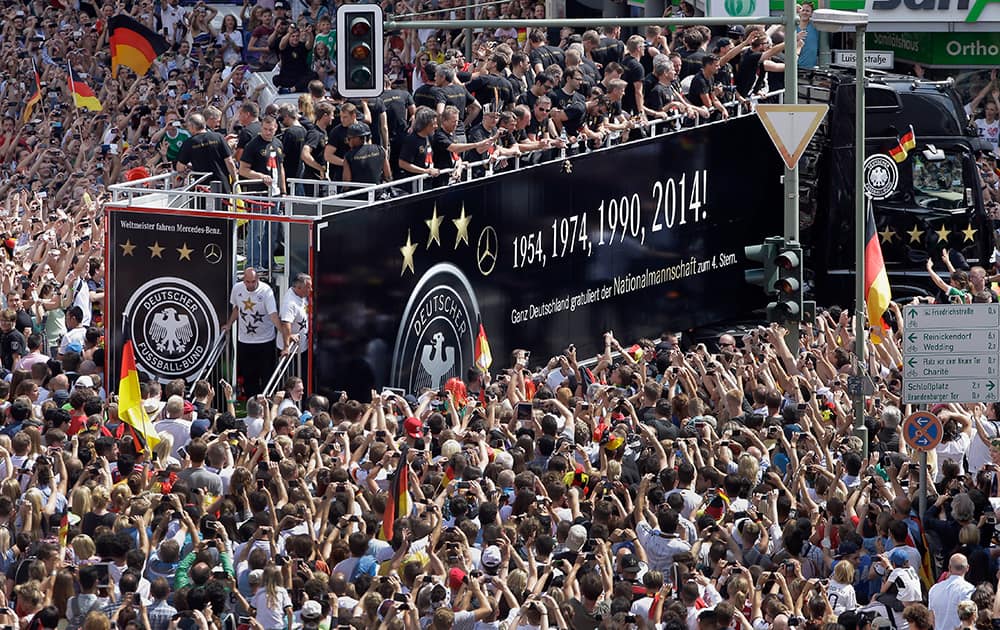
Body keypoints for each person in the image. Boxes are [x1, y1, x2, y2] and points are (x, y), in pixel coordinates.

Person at [223, 268, 281, 399]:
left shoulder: (266, 291)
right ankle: (251, 405)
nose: (250, 285)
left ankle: (267, 404)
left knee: (267, 375)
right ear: (243, 280)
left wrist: (283, 333)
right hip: (245, 341)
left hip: (266, 341)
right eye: (247, 282)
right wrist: (229, 324)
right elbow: (237, 308)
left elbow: (273, 315)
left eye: (253, 281)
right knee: (249, 377)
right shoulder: (237, 289)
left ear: (258, 279)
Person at [175, 112, 236, 194]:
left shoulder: (189, 143)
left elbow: (180, 167)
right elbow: (230, 162)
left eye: (188, 127)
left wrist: (190, 167)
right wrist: (235, 181)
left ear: (192, 127)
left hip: (201, 187)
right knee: (222, 206)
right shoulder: (218, 137)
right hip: (222, 184)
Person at [928, 554, 975, 630]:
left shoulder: (934, 589)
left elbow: (931, 619)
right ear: (967, 568)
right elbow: (969, 619)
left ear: (949, 568)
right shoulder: (969, 589)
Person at [277, 273, 311, 361]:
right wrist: (286, 347)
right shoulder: (289, 303)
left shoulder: (300, 295)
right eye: (308, 287)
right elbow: (286, 324)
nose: (311, 290)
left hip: (303, 346)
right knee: (296, 374)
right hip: (293, 352)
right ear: (299, 288)